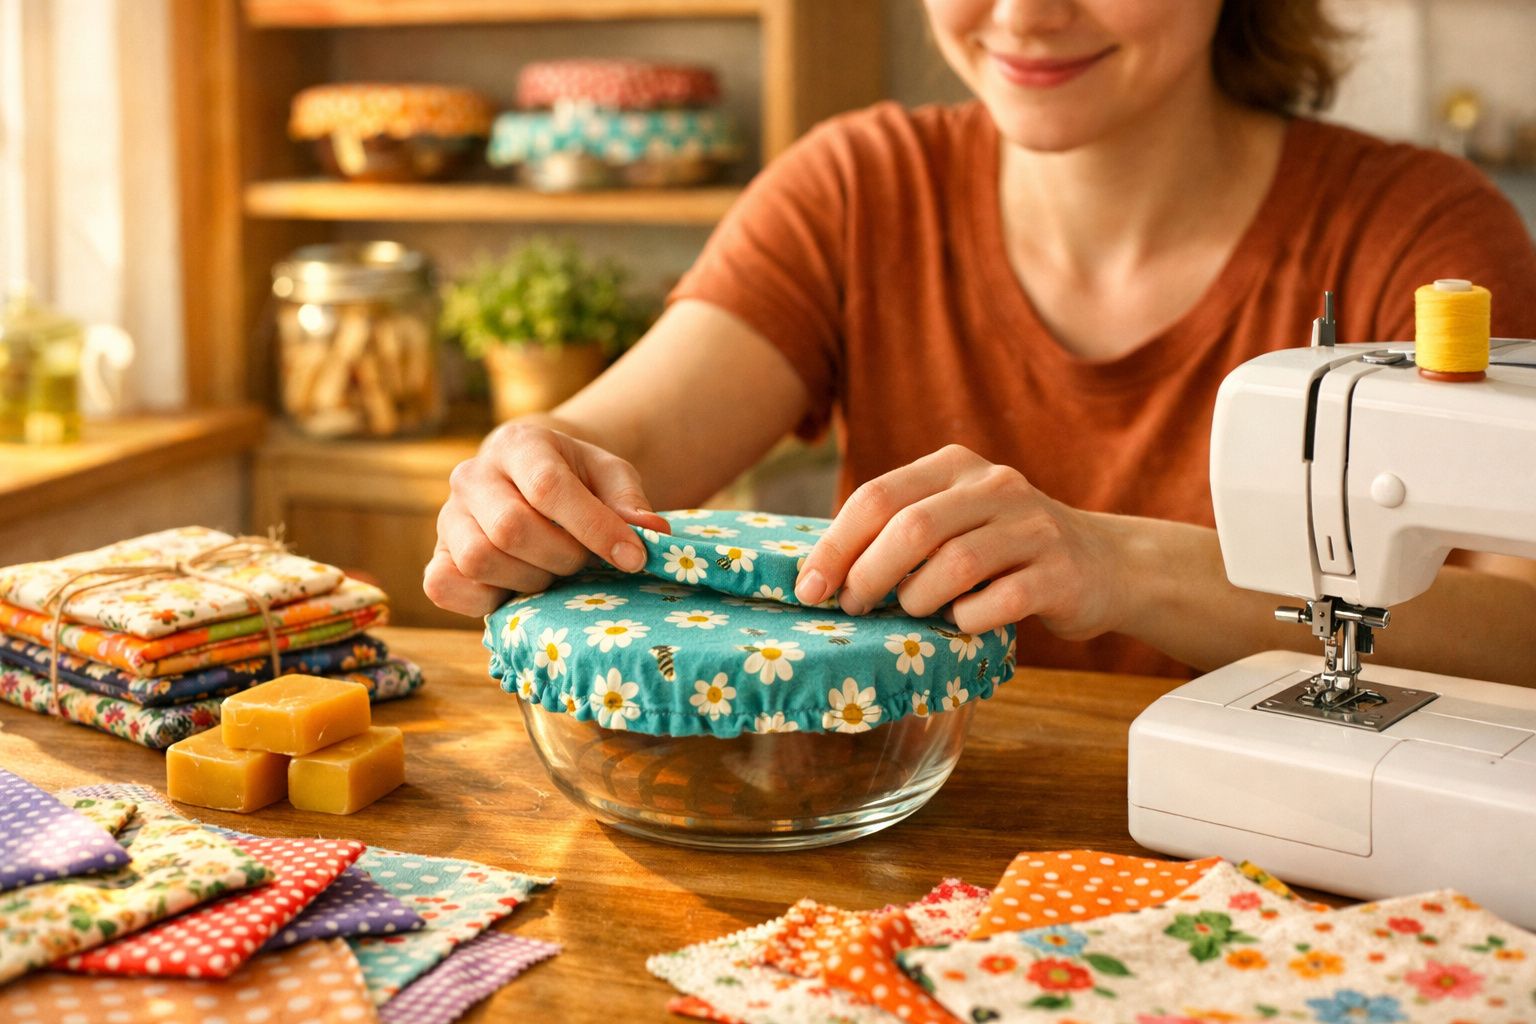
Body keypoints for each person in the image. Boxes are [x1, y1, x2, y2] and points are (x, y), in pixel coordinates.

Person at [426, 0, 1536, 686]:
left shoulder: (1419, 233)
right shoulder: (856, 188)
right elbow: (608, 445)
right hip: (916, 844)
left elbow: (1522, 625)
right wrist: (529, 476)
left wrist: (1117, 563)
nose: (1023, 12)